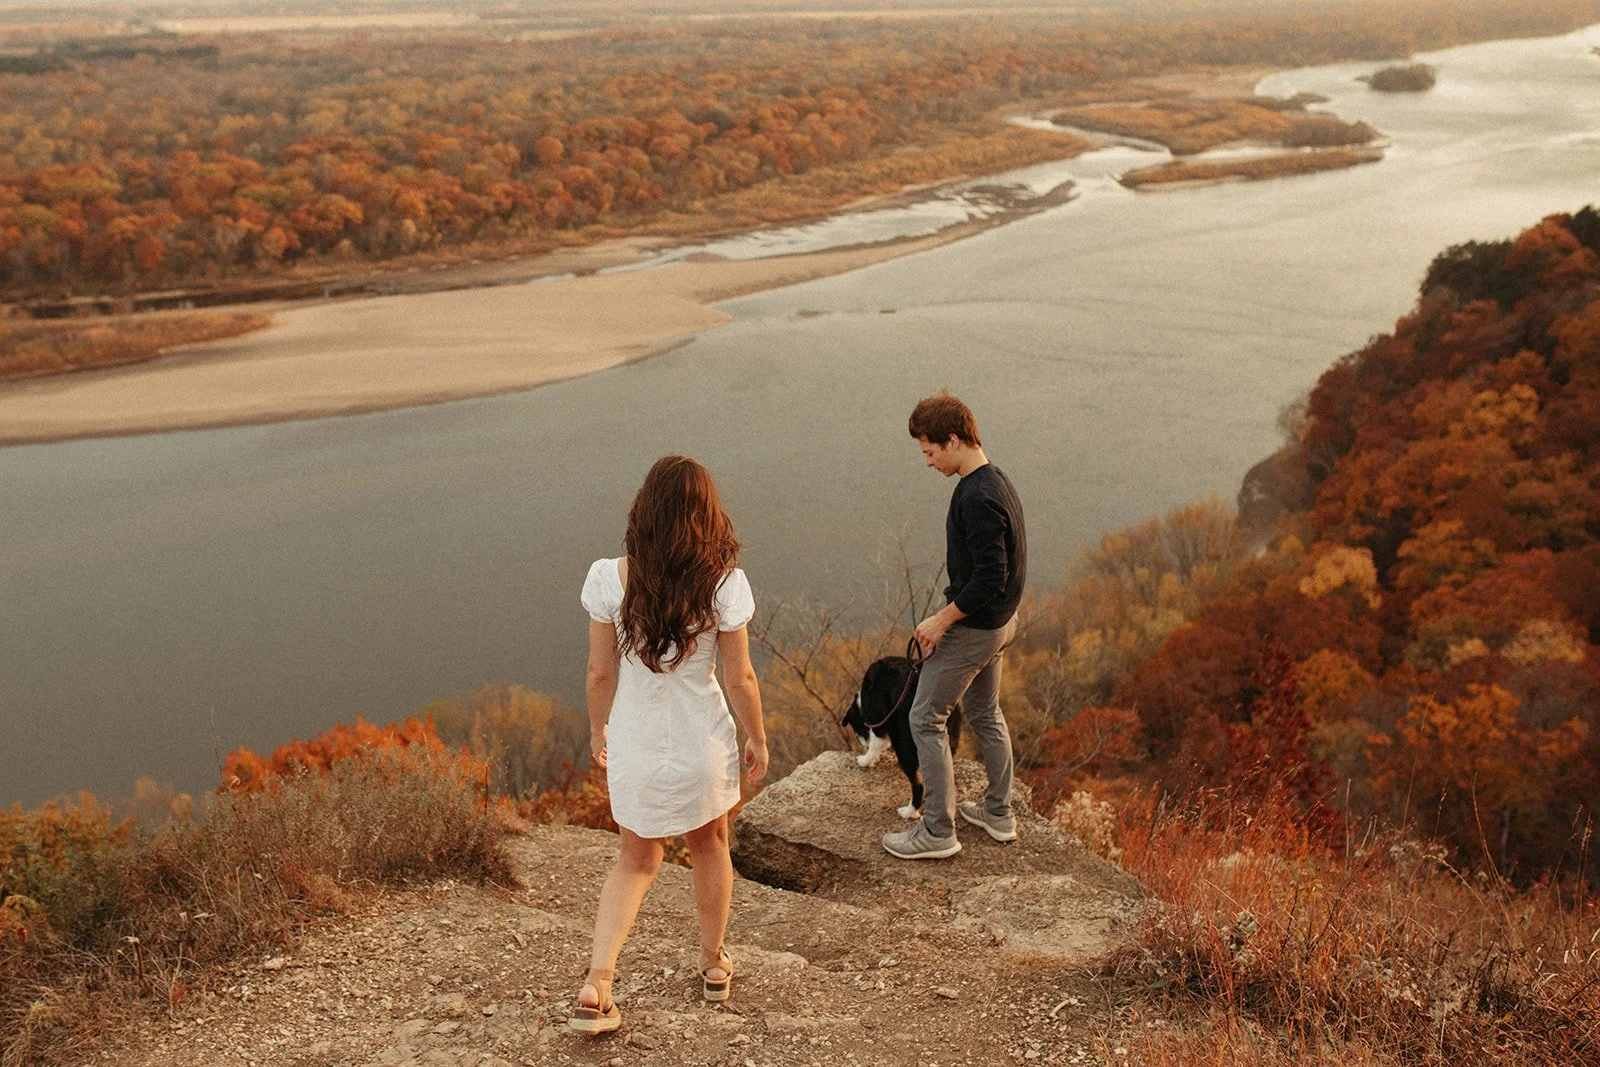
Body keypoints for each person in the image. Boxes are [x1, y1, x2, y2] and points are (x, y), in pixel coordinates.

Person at [569, 455, 769, 1034]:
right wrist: (757, 737)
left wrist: (598, 730)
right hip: (702, 742)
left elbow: (599, 674)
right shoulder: (724, 583)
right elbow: (740, 678)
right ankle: (713, 965)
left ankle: (598, 983)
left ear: (644, 511)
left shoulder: (608, 579)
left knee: (636, 859)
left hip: (635, 742)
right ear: (706, 515)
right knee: (711, 844)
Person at [882, 392, 1027, 861]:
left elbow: (990, 577)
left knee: (924, 718)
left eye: (929, 452)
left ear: (952, 440)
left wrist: (941, 620)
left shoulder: (977, 497)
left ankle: (937, 831)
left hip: (976, 629)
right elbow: (1004, 573)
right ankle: (998, 813)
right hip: (1001, 624)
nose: (927, 462)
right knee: (985, 712)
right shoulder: (995, 480)